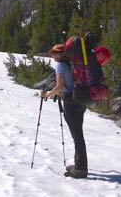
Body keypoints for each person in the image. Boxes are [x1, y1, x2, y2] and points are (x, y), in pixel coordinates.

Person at [40, 44, 88, 179]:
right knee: (78, 134)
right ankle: (79, 164)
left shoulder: (61, 65)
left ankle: (81, 168)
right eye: (52, 53)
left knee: (77, 136)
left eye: (55, 53)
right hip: (80, 101)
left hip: (71, 103)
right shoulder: (71, 64)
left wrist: (47, 94)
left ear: (61, 54)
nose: (53, 55)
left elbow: (59, 85)